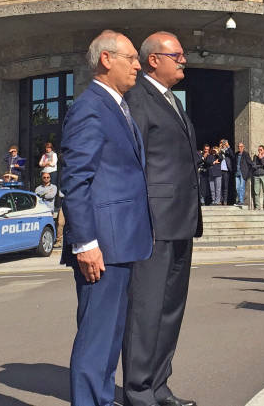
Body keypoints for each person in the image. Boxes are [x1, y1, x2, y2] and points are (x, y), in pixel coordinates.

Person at [60, 30, 154, 406]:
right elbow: (75, 179)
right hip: (101, 244)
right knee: (96, 337)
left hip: (121, 241)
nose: (137, 64)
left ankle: (100, 398)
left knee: (111, 334)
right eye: (130, 57)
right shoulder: (90, 107)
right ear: (106, 60)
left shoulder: (117, 105)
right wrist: (85, 243)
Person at [121, 31, 202, 406]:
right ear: (154, 59)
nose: (183, 60)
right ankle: (138, 389)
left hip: (180, 222)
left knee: (171, 308)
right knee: (146, 308)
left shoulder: (173, 102)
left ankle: (159, 384)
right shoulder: (139, 98)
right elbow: (131, 161)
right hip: (153, 222)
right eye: (177, 54)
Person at [251, 145, 264, 210]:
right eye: (259, 150)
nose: (259, 151)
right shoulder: (255, 157)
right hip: (256, 176)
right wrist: (260, 166)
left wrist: (261, 159)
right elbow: (253, 166)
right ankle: (257, 206)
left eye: (261, 150)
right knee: (256, 192)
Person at [234, 142, 254, 208]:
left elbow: (250, 163)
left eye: (241, 146)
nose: (240, 148)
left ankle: (241, 201)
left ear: (243, 147)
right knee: (237, 187)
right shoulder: (236, 154)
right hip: (237, 173)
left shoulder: (246, 154)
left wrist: (249, 173)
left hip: (243, 173)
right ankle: (240, 200)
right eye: (239, 146)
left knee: (242, 187)